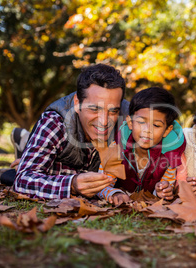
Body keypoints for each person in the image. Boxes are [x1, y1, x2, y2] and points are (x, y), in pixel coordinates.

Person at [13, 64, 129, 199]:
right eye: (94, 109)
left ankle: (27, 147)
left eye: (113, 111)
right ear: (77, 102)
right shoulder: (55, 121)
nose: (104, 121)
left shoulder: (130, 120)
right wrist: (72, 184)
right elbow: (22, 181)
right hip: (53, 140)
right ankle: (25, 143)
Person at [97, 87, 186, 205]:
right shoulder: (117, 149)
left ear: (167, 130)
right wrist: (115, 193)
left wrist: (162, 191)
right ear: (130, 123)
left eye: (156, 125)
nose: (147, 130)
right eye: (141, 122)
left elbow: (166, 186)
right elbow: (100, 185)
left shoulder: (169, 155)